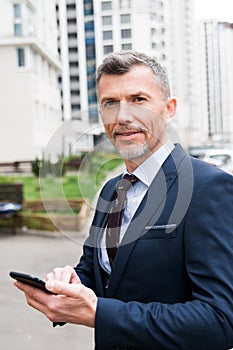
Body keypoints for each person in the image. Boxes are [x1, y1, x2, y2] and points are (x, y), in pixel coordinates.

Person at [13, 50, 233, 350]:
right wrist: (70, 283)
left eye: (139, 100)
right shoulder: (111, 190)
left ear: (168, 109)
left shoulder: (208, 188)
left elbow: (220, 321)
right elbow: (98, 272)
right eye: (110, 103)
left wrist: (99, 313)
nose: (123, 116)